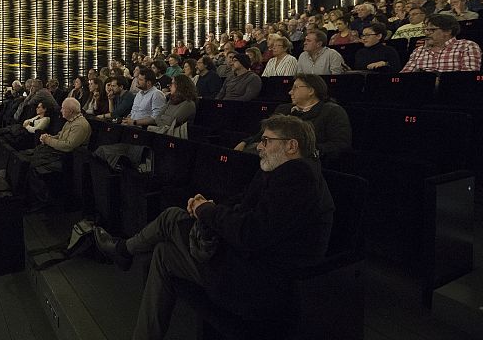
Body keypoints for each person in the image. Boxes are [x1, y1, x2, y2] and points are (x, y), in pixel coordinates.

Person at [94, 114, 334, 340]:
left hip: (260, 282)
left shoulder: (298, 178)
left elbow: (251, 233)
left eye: (266, 140)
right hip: (245, 262)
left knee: (171, 218)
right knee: (164, 254)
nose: (259, 146)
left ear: (291, 146)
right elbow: (241, 203)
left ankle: (123, 250)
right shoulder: (277, 172)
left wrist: (206, 212)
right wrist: (209, 206)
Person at [236, 74, 352, 161]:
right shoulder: (283, 109)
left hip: (304, 163)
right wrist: (245, 142)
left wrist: (302, 151)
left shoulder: (332, 111)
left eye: (295, 87)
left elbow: (340, 144)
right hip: (269, 156)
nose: (290, 92)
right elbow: (264, 133)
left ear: (311, 90)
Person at [402, 14, 482, 72]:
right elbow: (405, 77)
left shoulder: (467, 46)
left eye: (432, 30)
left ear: (447, 31)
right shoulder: (418, 51)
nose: (426, 33)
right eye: (426, 30)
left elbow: (468, 77)